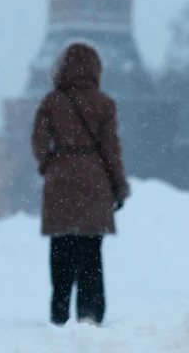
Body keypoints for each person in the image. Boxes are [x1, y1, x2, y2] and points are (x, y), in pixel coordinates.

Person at [31, 42, 130, 326]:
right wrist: (119, 185)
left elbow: (38, 141)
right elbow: (111, 149)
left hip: (60, 181)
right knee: (90, 252)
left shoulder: (52, 102)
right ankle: (90, 313)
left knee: (61, 249)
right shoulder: (104, 104)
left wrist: (49, 164)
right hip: (94, 180)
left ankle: (59, 311)